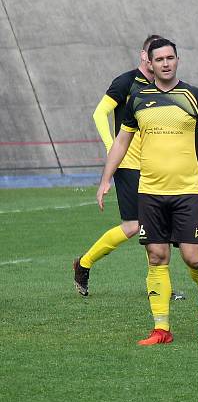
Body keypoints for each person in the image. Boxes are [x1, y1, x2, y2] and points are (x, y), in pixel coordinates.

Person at [95, 38, 198, 345]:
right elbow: (121, 142)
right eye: (160, 59)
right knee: (157, 256)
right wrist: (106, 178)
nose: (166, 63)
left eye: (171, 58)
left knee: (193, 258)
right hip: (150, 191)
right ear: (150, 64)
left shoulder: (194, 95)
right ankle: (161, 329)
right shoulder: (138, 99)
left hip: (187, 190)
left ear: (177, 61)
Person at [73, 34, 162, 296]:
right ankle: (84, 263)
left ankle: (157, 287)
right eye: (151, 54)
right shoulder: (126, 81)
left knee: (152, 224)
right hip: (128, 164)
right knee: (135, 225)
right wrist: (111, 147)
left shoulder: (162, 86)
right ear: (143, 55)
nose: (154, 60)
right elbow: (100, 112)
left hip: (153, 165)